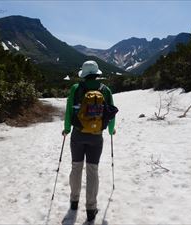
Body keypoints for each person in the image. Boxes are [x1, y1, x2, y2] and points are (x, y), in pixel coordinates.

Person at [62, 60, 116, 222]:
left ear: (84, 74)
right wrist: (111, 129)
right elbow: (111, 112)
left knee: (76, 167)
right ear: (97, 74)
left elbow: (69, 110)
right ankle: (91, 209)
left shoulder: (75, 89)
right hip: (96, 137)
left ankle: (74, 201)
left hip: (78, 135)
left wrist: (67, 128)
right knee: (92, 170)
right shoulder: (105, 90)